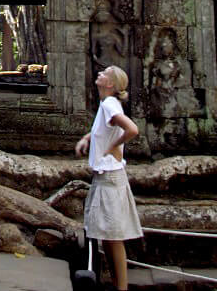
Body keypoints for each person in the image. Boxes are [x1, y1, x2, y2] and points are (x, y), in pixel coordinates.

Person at [75, 65, 141, 291]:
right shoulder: (106, 105)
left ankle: (121, 288)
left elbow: (132, 129)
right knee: (109, 238)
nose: (99, 74)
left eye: (104, 73)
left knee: (114, 238)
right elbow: (101, 130)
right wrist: (87, 139)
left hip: (111, 178)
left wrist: (114, 146)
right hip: (107, 178)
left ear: (110, 84)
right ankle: (117, 285)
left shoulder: (110, 104)